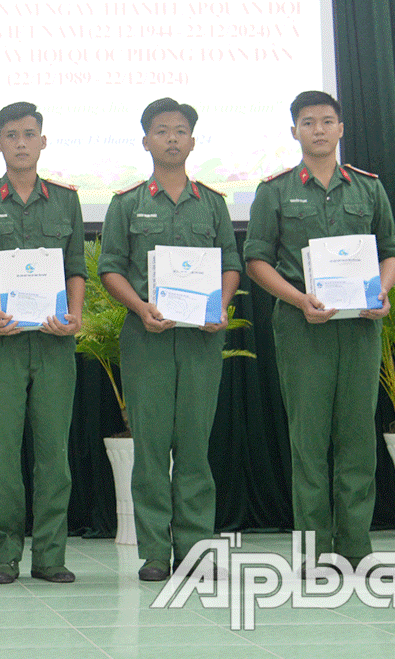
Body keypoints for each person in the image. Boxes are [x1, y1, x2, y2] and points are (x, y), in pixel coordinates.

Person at [243, 91, 395, 570]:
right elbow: (256, 260)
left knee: (356, 437)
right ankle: (314, 551)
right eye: (308, 122)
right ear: (294, 131)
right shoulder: (274, 190)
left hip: (359, 326)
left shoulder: (368, 188)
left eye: (327, 121)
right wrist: (298, 299)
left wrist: (382, 292)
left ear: (340, 129)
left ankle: (354, 546)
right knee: (308, 441)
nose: (318, 129)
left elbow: (391, 250)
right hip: (302, 325)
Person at [98, 97, 240, 582]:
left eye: (180, 131)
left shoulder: (215, 203)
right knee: (152, 449)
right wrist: (140, 308)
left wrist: (219, 305)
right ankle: (156, 552)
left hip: (201, 340)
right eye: (162, 131)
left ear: (193, 141)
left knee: (196, 449)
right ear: (146, 141)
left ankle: (198, 550)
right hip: (148, 339)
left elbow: (231, 264)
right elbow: (109, 267)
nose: (172, 138)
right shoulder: (127, 203)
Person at [0, 102, 84, 585]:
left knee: (54, 452)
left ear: (43, 141)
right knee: (3, 454)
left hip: (53, 342)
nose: (22, 142)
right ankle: (5, 554)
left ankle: (50, 556)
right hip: (0, 343)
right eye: (12, 134)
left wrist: (75, 318)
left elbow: (76, 268)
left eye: (30, 133)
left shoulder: (67, 199)